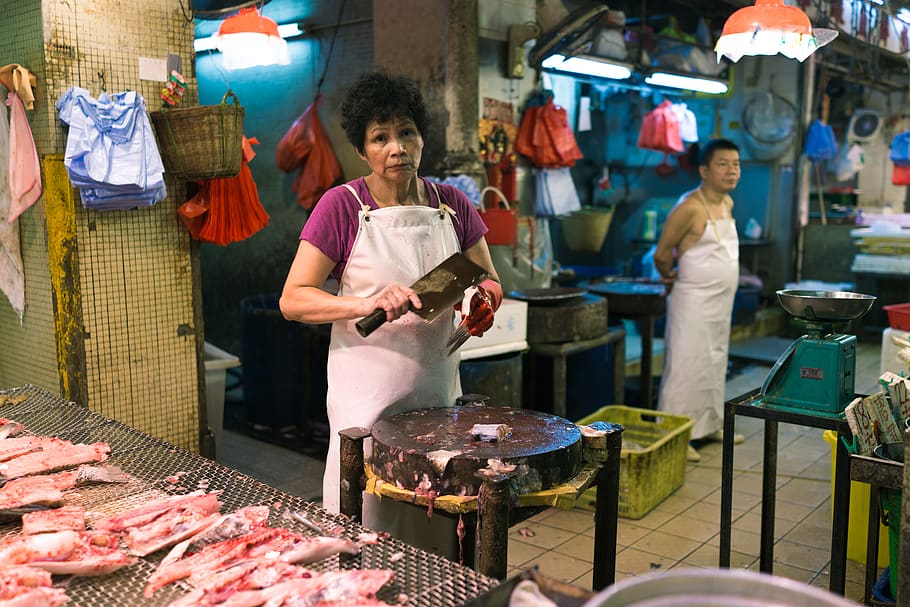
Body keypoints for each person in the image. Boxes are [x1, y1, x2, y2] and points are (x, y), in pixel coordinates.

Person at [279, 71, 502, 546]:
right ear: (362, 151)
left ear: (422, 138)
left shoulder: (453, 205)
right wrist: (367, 302)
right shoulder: (340, 206)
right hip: (366, 401)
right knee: (368, 523)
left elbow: (488, 279)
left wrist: (483, 302)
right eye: (380, 138)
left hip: (438, 397)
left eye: (406, 132)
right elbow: (293, 298)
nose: (396, 147)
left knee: (436, 520)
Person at [653, 138, 744, 463]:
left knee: (714, 362)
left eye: (735, 164)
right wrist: (668, 276)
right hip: (691, 302)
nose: (731, 170)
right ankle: (675, 435)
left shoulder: (728, 204)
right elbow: (663, 254)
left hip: (721, 305)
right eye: (723, 164)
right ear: (704, 170)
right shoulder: (689, 207)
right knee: (686, 365)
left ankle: (708, 426)